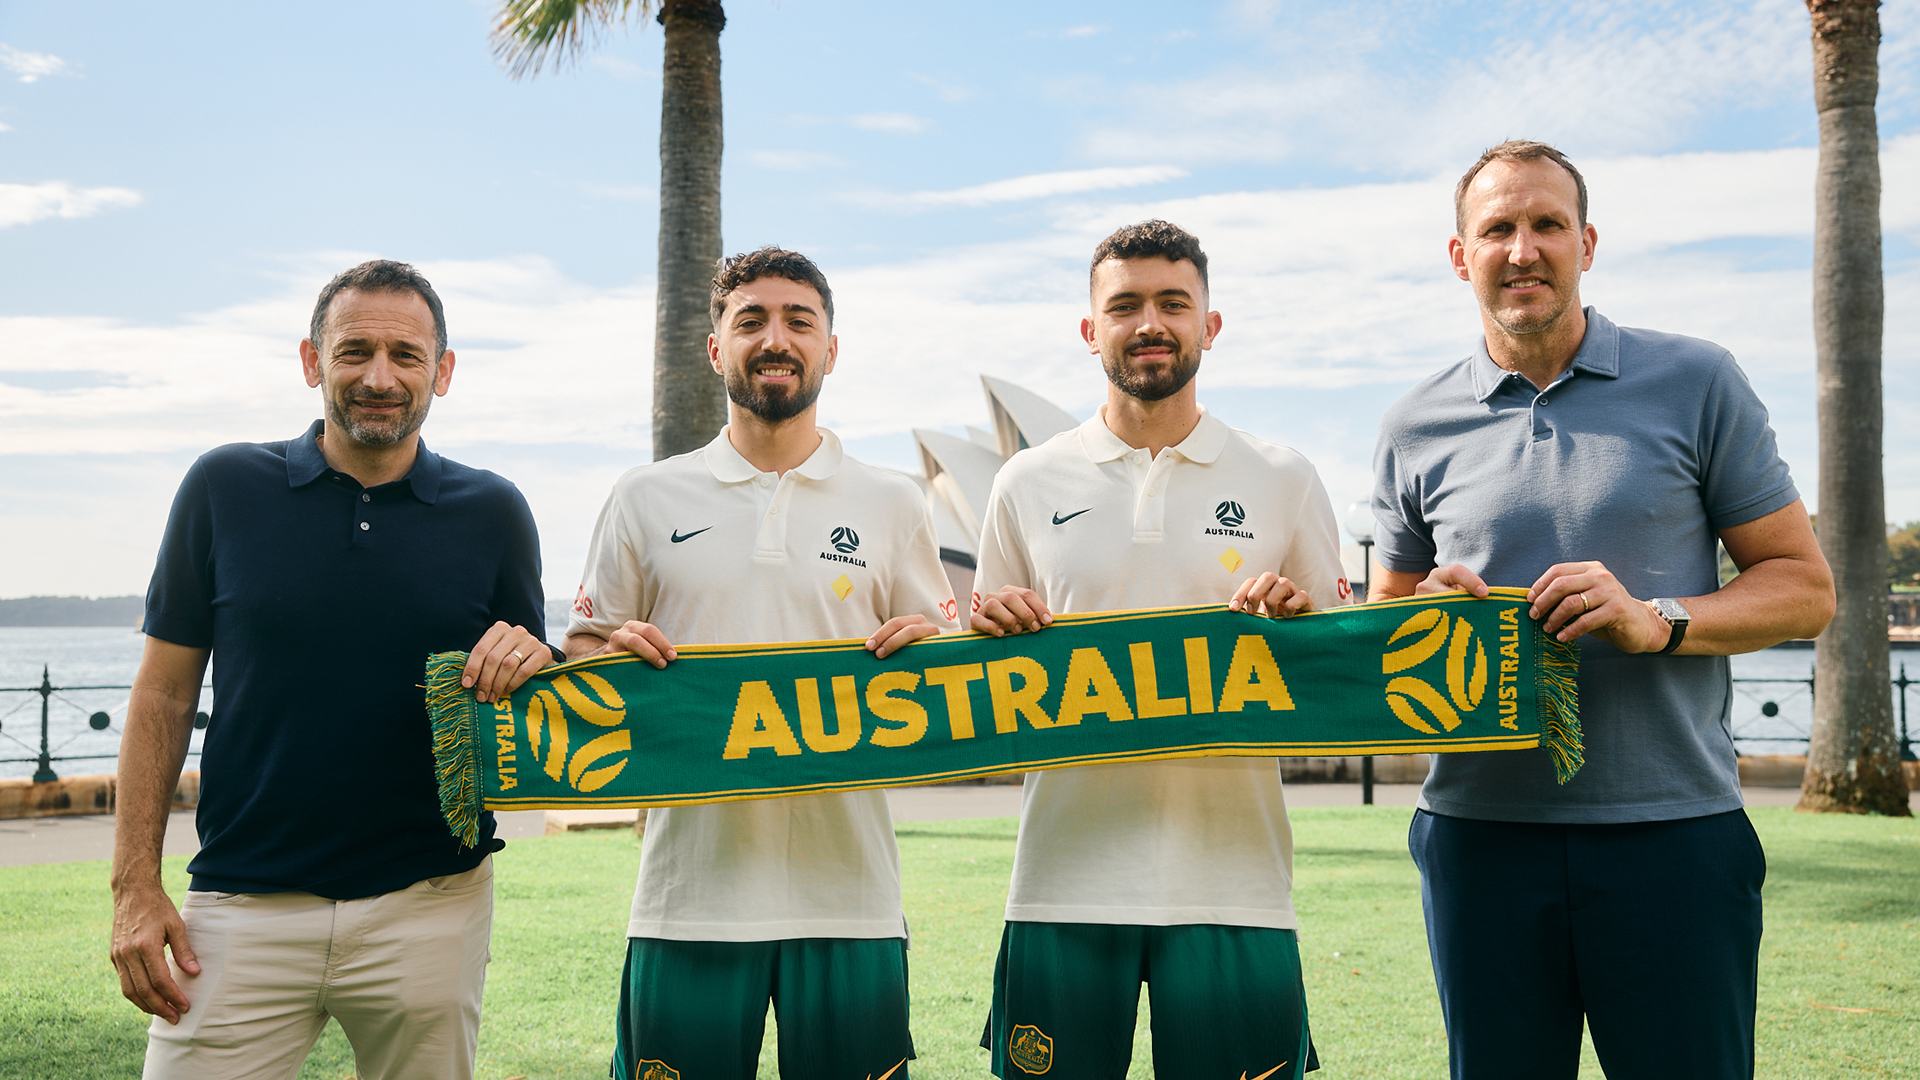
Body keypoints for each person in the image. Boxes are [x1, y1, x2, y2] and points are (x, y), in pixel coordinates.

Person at [1369, 140, 1836, 1079]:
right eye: (1497, 228)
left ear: (1587, 242)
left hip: (1673, 838)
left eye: (1546, 224)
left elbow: (1804, 587)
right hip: (1478, 840)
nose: (1523, 248)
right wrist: (1428, 614)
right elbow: (1387, 625)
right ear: (1461, 255)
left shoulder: (1698, 381)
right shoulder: (1412, 422)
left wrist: (1655, 617)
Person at [109, 260, 558, 1080]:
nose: (379, 377)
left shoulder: (495, 511)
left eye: (406, 355)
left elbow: (528, 688)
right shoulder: (222, 487)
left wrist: (543, 654)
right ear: (313, 362)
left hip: (432, 907)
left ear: (444, 372)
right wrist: (134, 887)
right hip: (239, 909)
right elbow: (163, 694)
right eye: (354, 351)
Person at [565, 247, 959, 1080]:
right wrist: (607, 655)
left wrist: (933, 654)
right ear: (716, 347)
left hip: (850, 900)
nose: (774, 339)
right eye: (750, 321)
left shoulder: (893, 501)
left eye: (797, 321)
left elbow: (948, 667)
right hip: (686, 901)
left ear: (829, 349)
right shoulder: (646, 495)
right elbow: (582, 651)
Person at [969, 220, 1345, 1080]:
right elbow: (980, 679)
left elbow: (1338, 678)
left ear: (1210, 325)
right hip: (1061, 881)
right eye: (1125, 305)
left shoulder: (1282, 474)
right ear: (1090, 329)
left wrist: (1299, 625)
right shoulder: (1025, 482)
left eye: (1174, 304)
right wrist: (983, 633)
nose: (1150, 324)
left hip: (1236, 884)